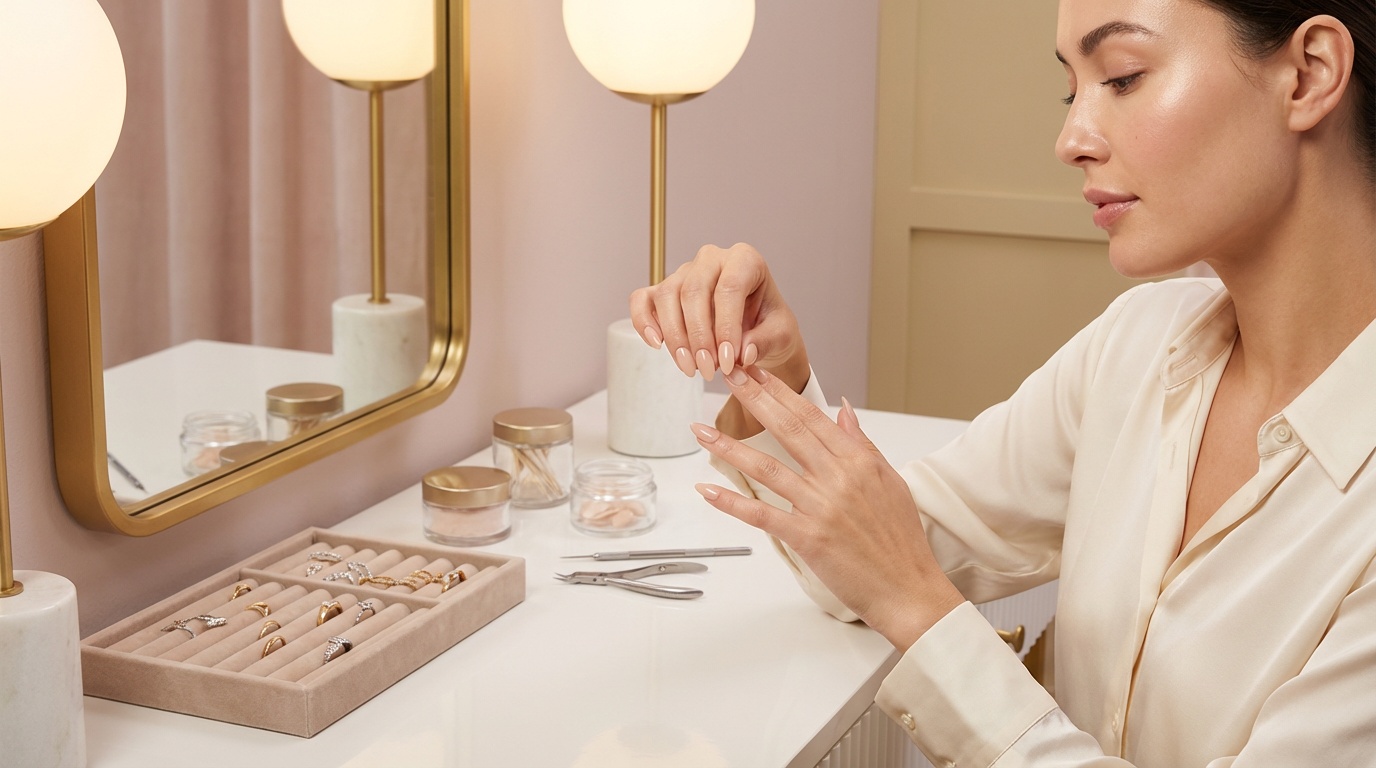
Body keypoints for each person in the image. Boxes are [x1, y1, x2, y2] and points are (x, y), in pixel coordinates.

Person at [629, 0, 1376, 765]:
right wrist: (772, 374)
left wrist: (920, 608)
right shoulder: (1137, 347)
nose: (1071, 140)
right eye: (1071, 90)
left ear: (1308, 73)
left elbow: (898, 579)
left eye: (1123, 77)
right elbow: (868, 559)